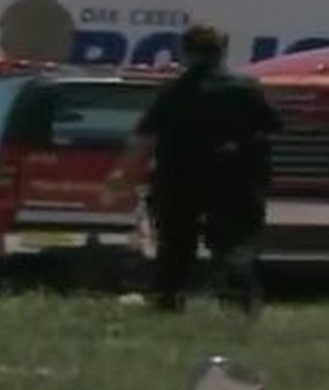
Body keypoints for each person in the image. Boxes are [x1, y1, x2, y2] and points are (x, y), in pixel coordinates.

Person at [119, 24, 281, 314]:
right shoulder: (246, 89)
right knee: (234, 245)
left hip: (179, 179)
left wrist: (123, 175)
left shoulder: (175, 91)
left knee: (176, 246)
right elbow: (272, 127)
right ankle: (241, 302)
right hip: (235, 181)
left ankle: (170, 301)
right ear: (221, 53)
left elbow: (144, 136)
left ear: (186, 53)